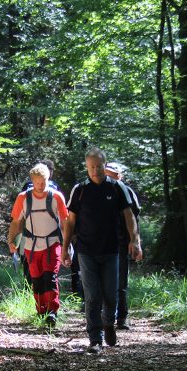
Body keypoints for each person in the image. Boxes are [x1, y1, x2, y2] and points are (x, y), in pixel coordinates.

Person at [61, 148, 142, 351]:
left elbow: (129, 215)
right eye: (91, 167)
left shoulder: (116, 188)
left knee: (111, 295)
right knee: (92, 295)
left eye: (98, 166)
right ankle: (95, 338)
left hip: (112, 250)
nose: (95, 171)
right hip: (86, 250)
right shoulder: (79, 190)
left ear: (105, 166)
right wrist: (64, 248)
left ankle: (108, 324)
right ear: (87, 167)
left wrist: (135, 241)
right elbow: (70, 221)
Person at [8, 163, 69, 327]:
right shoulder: (23, 198)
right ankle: (41, 311)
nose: (40, 186)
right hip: (31, 246)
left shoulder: (56, 197)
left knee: (50, 277)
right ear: (32, 181)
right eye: (37, 182)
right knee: (37, 279)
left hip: (52, 244)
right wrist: (11, 241)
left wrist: (67, 246)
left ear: (48, 179)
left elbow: (65, 223)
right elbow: (16, 222)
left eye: (43, 182)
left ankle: (52, 312)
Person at [104, 162, 141, 330]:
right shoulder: (97, 190)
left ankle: (122, 317)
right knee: (102, 282)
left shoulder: (126, 192)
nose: (108, 176)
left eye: (112, 173)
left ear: (120, 176)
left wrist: (135, 241)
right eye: (106, 173)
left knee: (120, 282)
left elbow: (133, 219)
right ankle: (105, 317)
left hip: (120, 243)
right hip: (101, 243)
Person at [15, 160, 60, 285]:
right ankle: (37, 294)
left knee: (26, 264)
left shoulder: (27, 186)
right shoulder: (55, 187)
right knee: (41, 268)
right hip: (42, 235)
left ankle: (30, 291)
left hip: (26, 234)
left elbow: (19, 216)